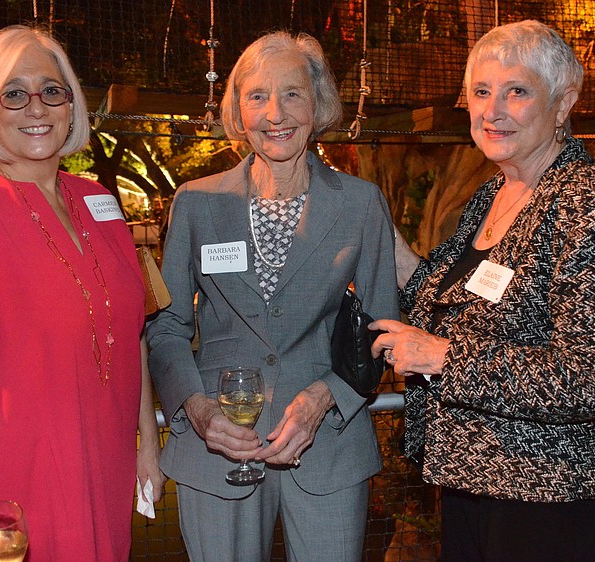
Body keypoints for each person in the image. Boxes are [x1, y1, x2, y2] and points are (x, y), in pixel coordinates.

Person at [371, 20, 595, 562]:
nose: (491, 111)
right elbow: (439, 296)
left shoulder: (590, 204)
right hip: (471, 476)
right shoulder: (493, 193)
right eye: (480, 92)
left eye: (516, 91)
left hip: (549, 488)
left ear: (563, 103)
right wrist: (376, 227)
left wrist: (443, 357)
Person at [0, 25, 164, 562]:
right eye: (14, 94)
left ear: (71, 105)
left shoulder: (98, 201)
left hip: (106, 469)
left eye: (51, 90)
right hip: (17, 489)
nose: (36, 108)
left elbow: (132, 333)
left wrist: (147, 446)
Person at [146, 31, 399, 562]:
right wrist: (196, 409)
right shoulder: (195, 203)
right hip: (217, 447)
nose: (275, 114)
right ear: (238, 112)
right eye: (257, 96)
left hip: (329, 444)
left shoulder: (361, 204)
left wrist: (323, 398)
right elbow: (167, 328)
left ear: (317, 104)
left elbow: (381, 327)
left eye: (292, 94)